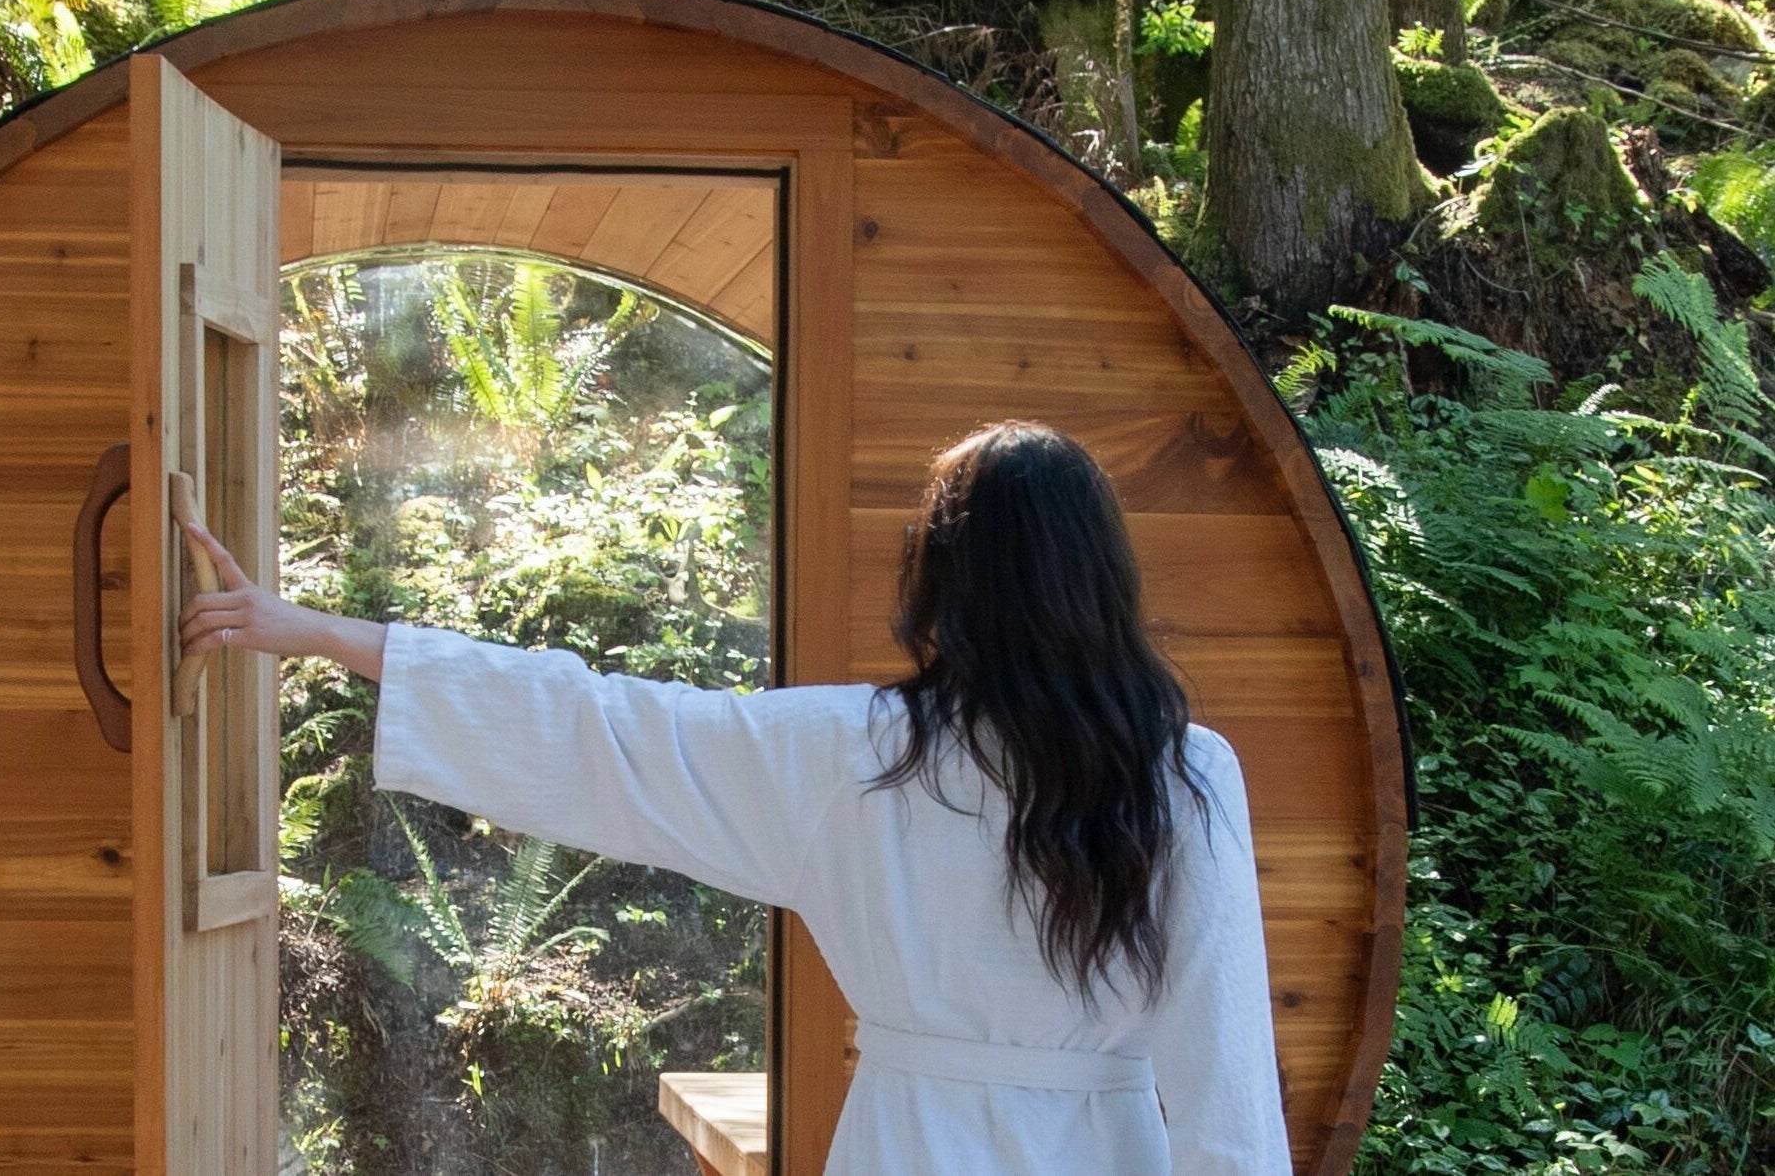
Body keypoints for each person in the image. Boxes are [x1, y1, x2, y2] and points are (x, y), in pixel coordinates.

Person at [178, 419, 1293, 1176]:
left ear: (941, 579)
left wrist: (324, 634)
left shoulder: (855, 752)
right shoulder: (1184, 776)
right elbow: (1226, 1084)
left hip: (907, 1144)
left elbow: (598, 729)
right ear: (1102, 580)